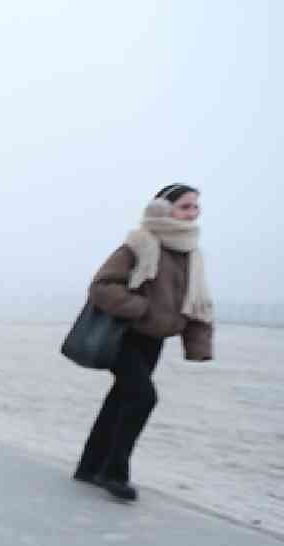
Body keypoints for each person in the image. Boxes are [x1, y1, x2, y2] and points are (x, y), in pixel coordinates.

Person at [73, 184, 214, 501]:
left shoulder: (191, 253)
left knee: (121, 400)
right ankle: (113, 473)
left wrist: (198, 345)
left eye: (195, 207)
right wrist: (140, 309)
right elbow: (102, 286)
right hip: (124, 336)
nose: (193, 212)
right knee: (142, 397)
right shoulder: (139, 244)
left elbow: (197, 304)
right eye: (186, 206)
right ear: (163, 209)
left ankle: (89, 467)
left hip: (153, 341)